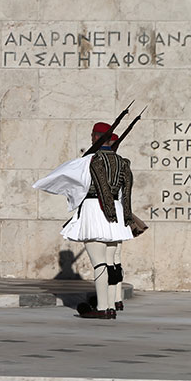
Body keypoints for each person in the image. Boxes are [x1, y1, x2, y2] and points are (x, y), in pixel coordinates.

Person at [34, 123, 137, 319]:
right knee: (110, 263)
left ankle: (103, 308)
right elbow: (126, 193)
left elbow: (70, 181)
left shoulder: (90, 160)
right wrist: (125, 216)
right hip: (116, 213)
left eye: (92, 136)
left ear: (96, 137)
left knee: (99, 264)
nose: (91, 139)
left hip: (95, 210)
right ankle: (111, 306)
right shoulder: (123, 162)